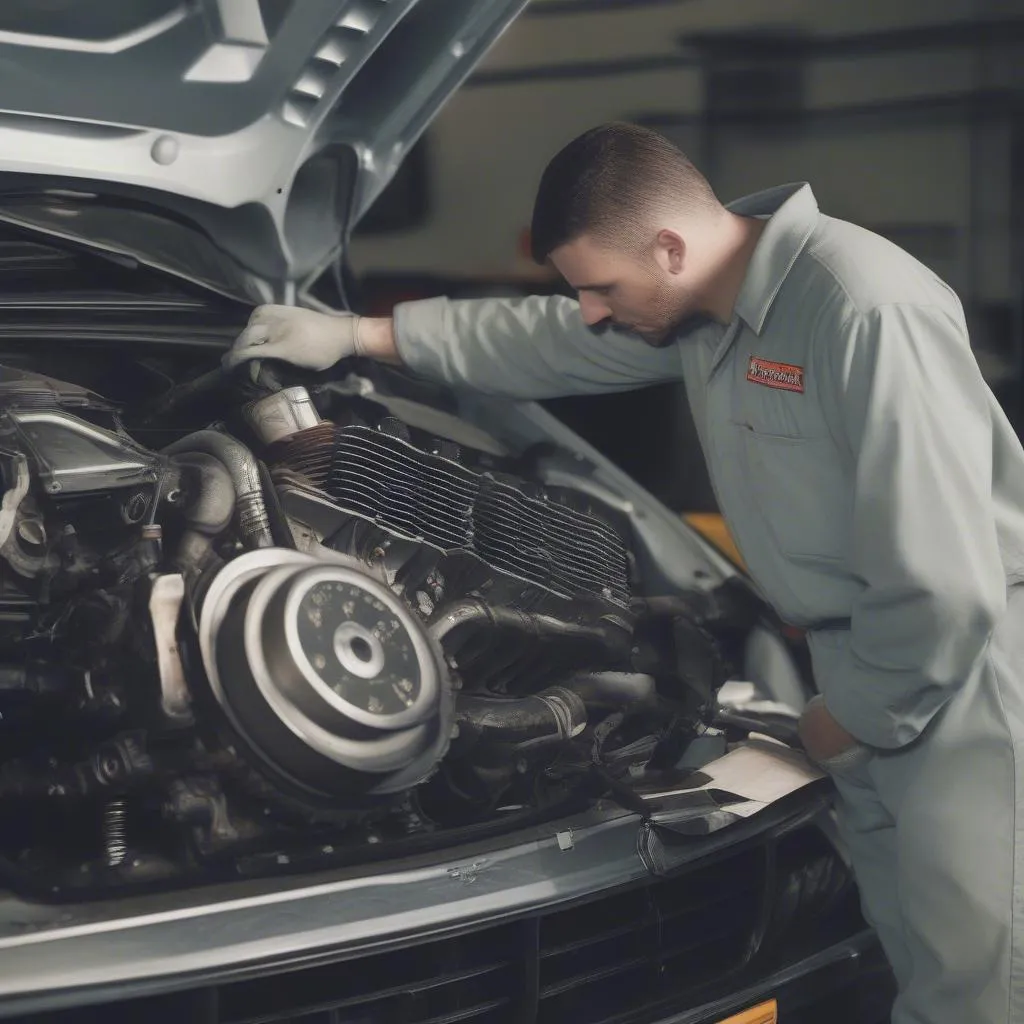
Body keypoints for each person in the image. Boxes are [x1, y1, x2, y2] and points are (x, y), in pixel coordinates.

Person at [224, 122, 1024, 1023]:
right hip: (864, 667)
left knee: (982, 978)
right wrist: (361, 334)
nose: (593, 310)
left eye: (602, 287)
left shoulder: (862, 309)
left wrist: (852, 716)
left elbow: (948, 583)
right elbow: (545, 340)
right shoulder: (703, 307)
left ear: (669, 246)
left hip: (957, 678)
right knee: (911, 950)